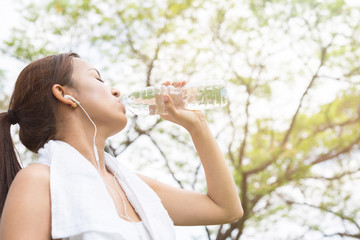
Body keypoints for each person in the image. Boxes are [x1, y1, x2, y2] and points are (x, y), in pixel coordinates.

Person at [0, 53, 243, 240]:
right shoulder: (39, 180)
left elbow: (225, 208)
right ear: (65, 94)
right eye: (97, 78)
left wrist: (197, 125)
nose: (115, 90)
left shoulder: (133, 188)